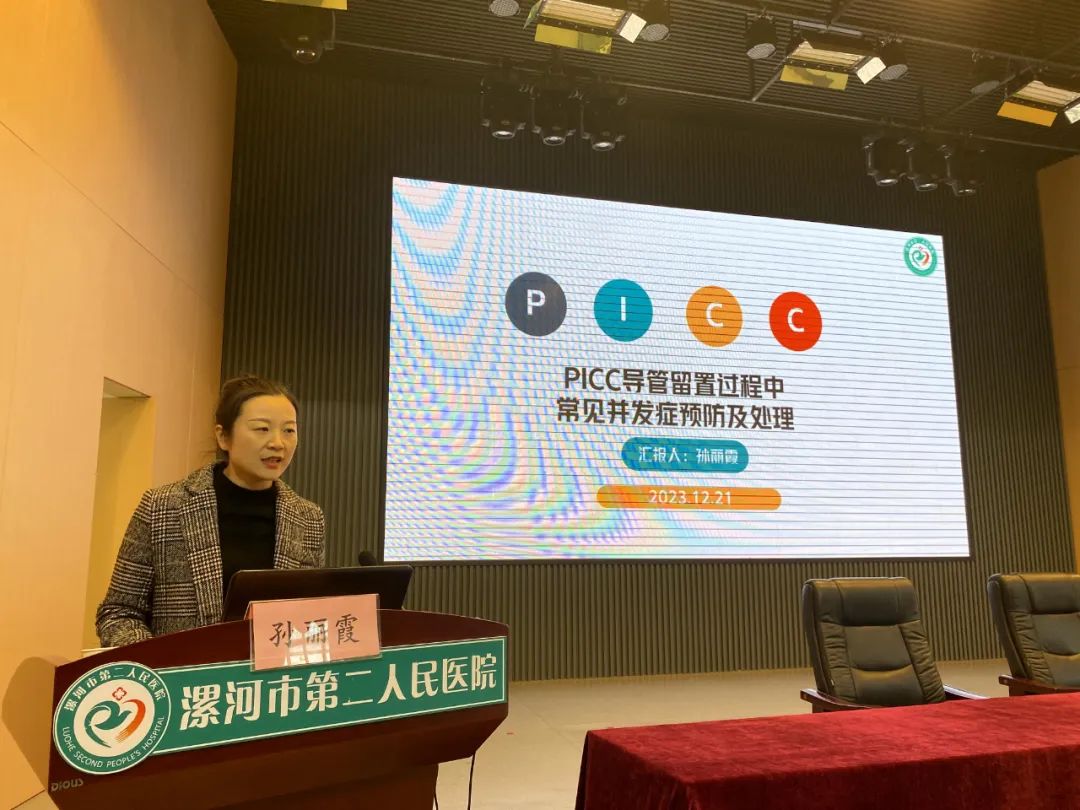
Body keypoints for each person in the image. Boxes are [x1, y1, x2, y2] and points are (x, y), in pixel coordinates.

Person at [96, 374, 325, 647]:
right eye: (262, 429)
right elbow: (118, 613)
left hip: (272, 674)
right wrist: (159, 660)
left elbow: (310, 617)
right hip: (182, 671)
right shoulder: (162, 507)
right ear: (223, 437)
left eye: (289, 430)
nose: (278, 442)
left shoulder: (309, 518)